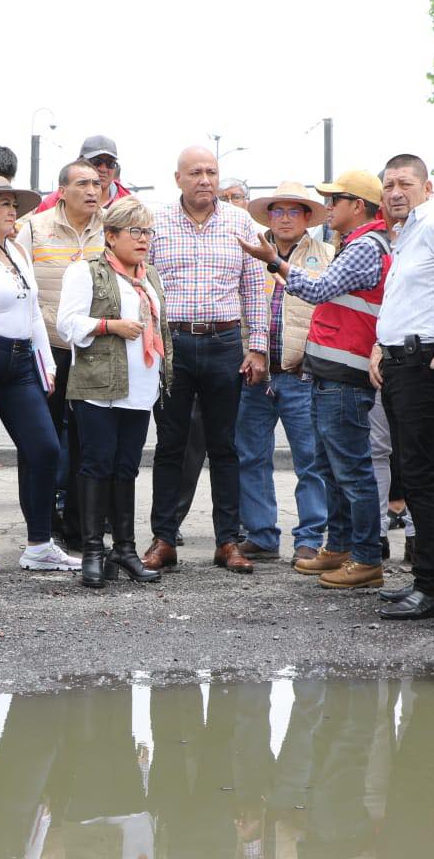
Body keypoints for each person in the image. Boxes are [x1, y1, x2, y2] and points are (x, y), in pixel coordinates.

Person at [243, 169, 390, 589]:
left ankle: (363, 557)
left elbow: (317, 289)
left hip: (341, 373)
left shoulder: (362, 246)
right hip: (328, 371)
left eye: (335, 200)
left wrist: (273, 262)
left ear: (357, 206)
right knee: (331, 467)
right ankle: (341, 547)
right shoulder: (354, 244)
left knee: (349, 471)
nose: (329, 207)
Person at [144, 146, 268, 575]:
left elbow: (255, 289)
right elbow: (143, 287)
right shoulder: (156, 224)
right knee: (170, 446)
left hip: (224, 343)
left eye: (212, 172)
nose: (205, 180)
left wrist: (258, 348)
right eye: (195, 172)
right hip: (173, 345)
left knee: (225, 446)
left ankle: (227, 541)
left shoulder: (240, 222)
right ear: (177, 178)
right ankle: (163, 538)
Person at [367, 154, 434, 620]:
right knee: (417, 472)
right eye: (388, 185)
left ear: (427, 187)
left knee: (420, 473)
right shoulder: (407, 233)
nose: (394, 192)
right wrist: (379, 343)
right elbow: (410, 298)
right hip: (402, 359)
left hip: (424, 361)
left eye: (404, 183)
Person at [57, 196, 169, 587]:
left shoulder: (148, 275)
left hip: (139, 387)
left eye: (148, 232)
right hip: (98, 387)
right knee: (95, 465)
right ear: (111, 236)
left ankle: (124, 549)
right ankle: (92, 550)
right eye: (135, 232)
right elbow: (67, 325)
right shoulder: (85, 272)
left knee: (126, 468)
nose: (143, 239)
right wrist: (111, 326)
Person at [0, 176, 68, 574]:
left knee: (44, 447)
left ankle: (39, 543)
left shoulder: (18, 251)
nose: (12, 212)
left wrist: (47, 362)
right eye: (3, 204)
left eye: (14, 206)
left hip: (22, 360)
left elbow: (33, 309)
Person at [230, 182, 332, 563]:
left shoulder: (326, 255)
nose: (285, 218)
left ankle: (309, 535)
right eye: (278, 211)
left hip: (301, 374)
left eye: (294, 211)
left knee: (310, 459)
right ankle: (261, 533)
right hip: (254, 373)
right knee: (251, 456)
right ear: (268, 216)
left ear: (307, 217)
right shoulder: (249, 255)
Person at [16, 159, 105, 549]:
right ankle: (41, 524)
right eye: (83, 183)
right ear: (62, 190)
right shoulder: (34, 229)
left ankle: (77, 524)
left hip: (92, 349)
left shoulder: (109, 228)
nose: (92, 191)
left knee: (87, 441)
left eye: (97, 184)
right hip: (45, 350)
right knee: (41, 439)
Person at [32, 135, 132, 213]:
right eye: (96, 162)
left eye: (110, 163)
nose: (103, 169)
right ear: (80, 163)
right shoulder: (52, 203)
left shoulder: (130, 206)